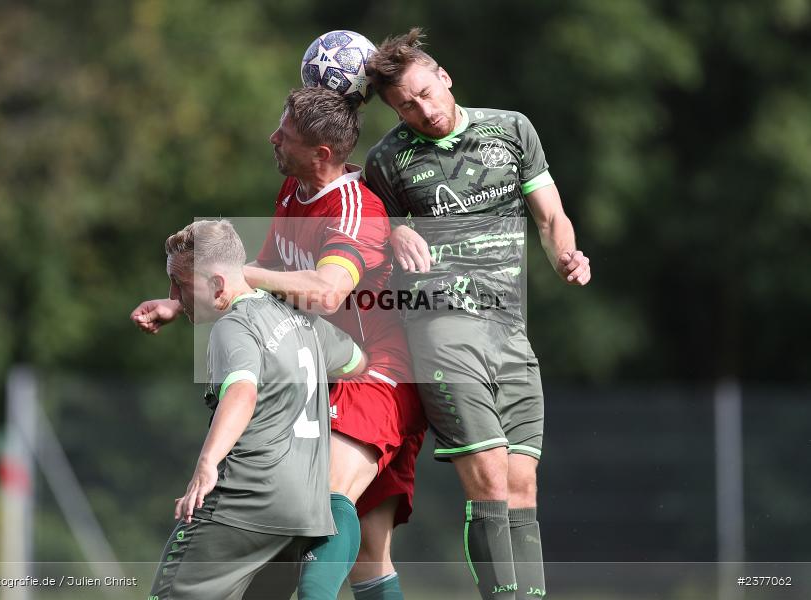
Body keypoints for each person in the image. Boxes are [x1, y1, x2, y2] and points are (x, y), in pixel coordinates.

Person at [133, 88, 427, 600]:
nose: (273, 138)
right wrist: (181, 302)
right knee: (366, 557)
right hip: (328, 369)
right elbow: (268, 279)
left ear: (322, 154)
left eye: (284, 135)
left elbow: (328, 288)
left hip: (376, 371)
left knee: (320, 500)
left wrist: (227, 270)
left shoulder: (353, 208)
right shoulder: (294, 190)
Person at [364, 28, 592, 599]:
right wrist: (395, 236)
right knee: (488, 478)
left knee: (522, 484)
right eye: (405, 106)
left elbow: (550, 216)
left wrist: (565, 253)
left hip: (509, 330)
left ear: (444, 77)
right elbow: (370, 237)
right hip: (440, 327)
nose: (422, 110)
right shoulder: (387, 160)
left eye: (424, 93)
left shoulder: (512, 129)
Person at [146, 219, 367, 600]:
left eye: (180, 283)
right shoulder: (302, 319)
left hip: (245, 505)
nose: (174, 295)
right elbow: (355, 361)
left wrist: (206, 464)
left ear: (218, 285)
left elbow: (242, 392)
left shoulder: (232, 327)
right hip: (303, 515)